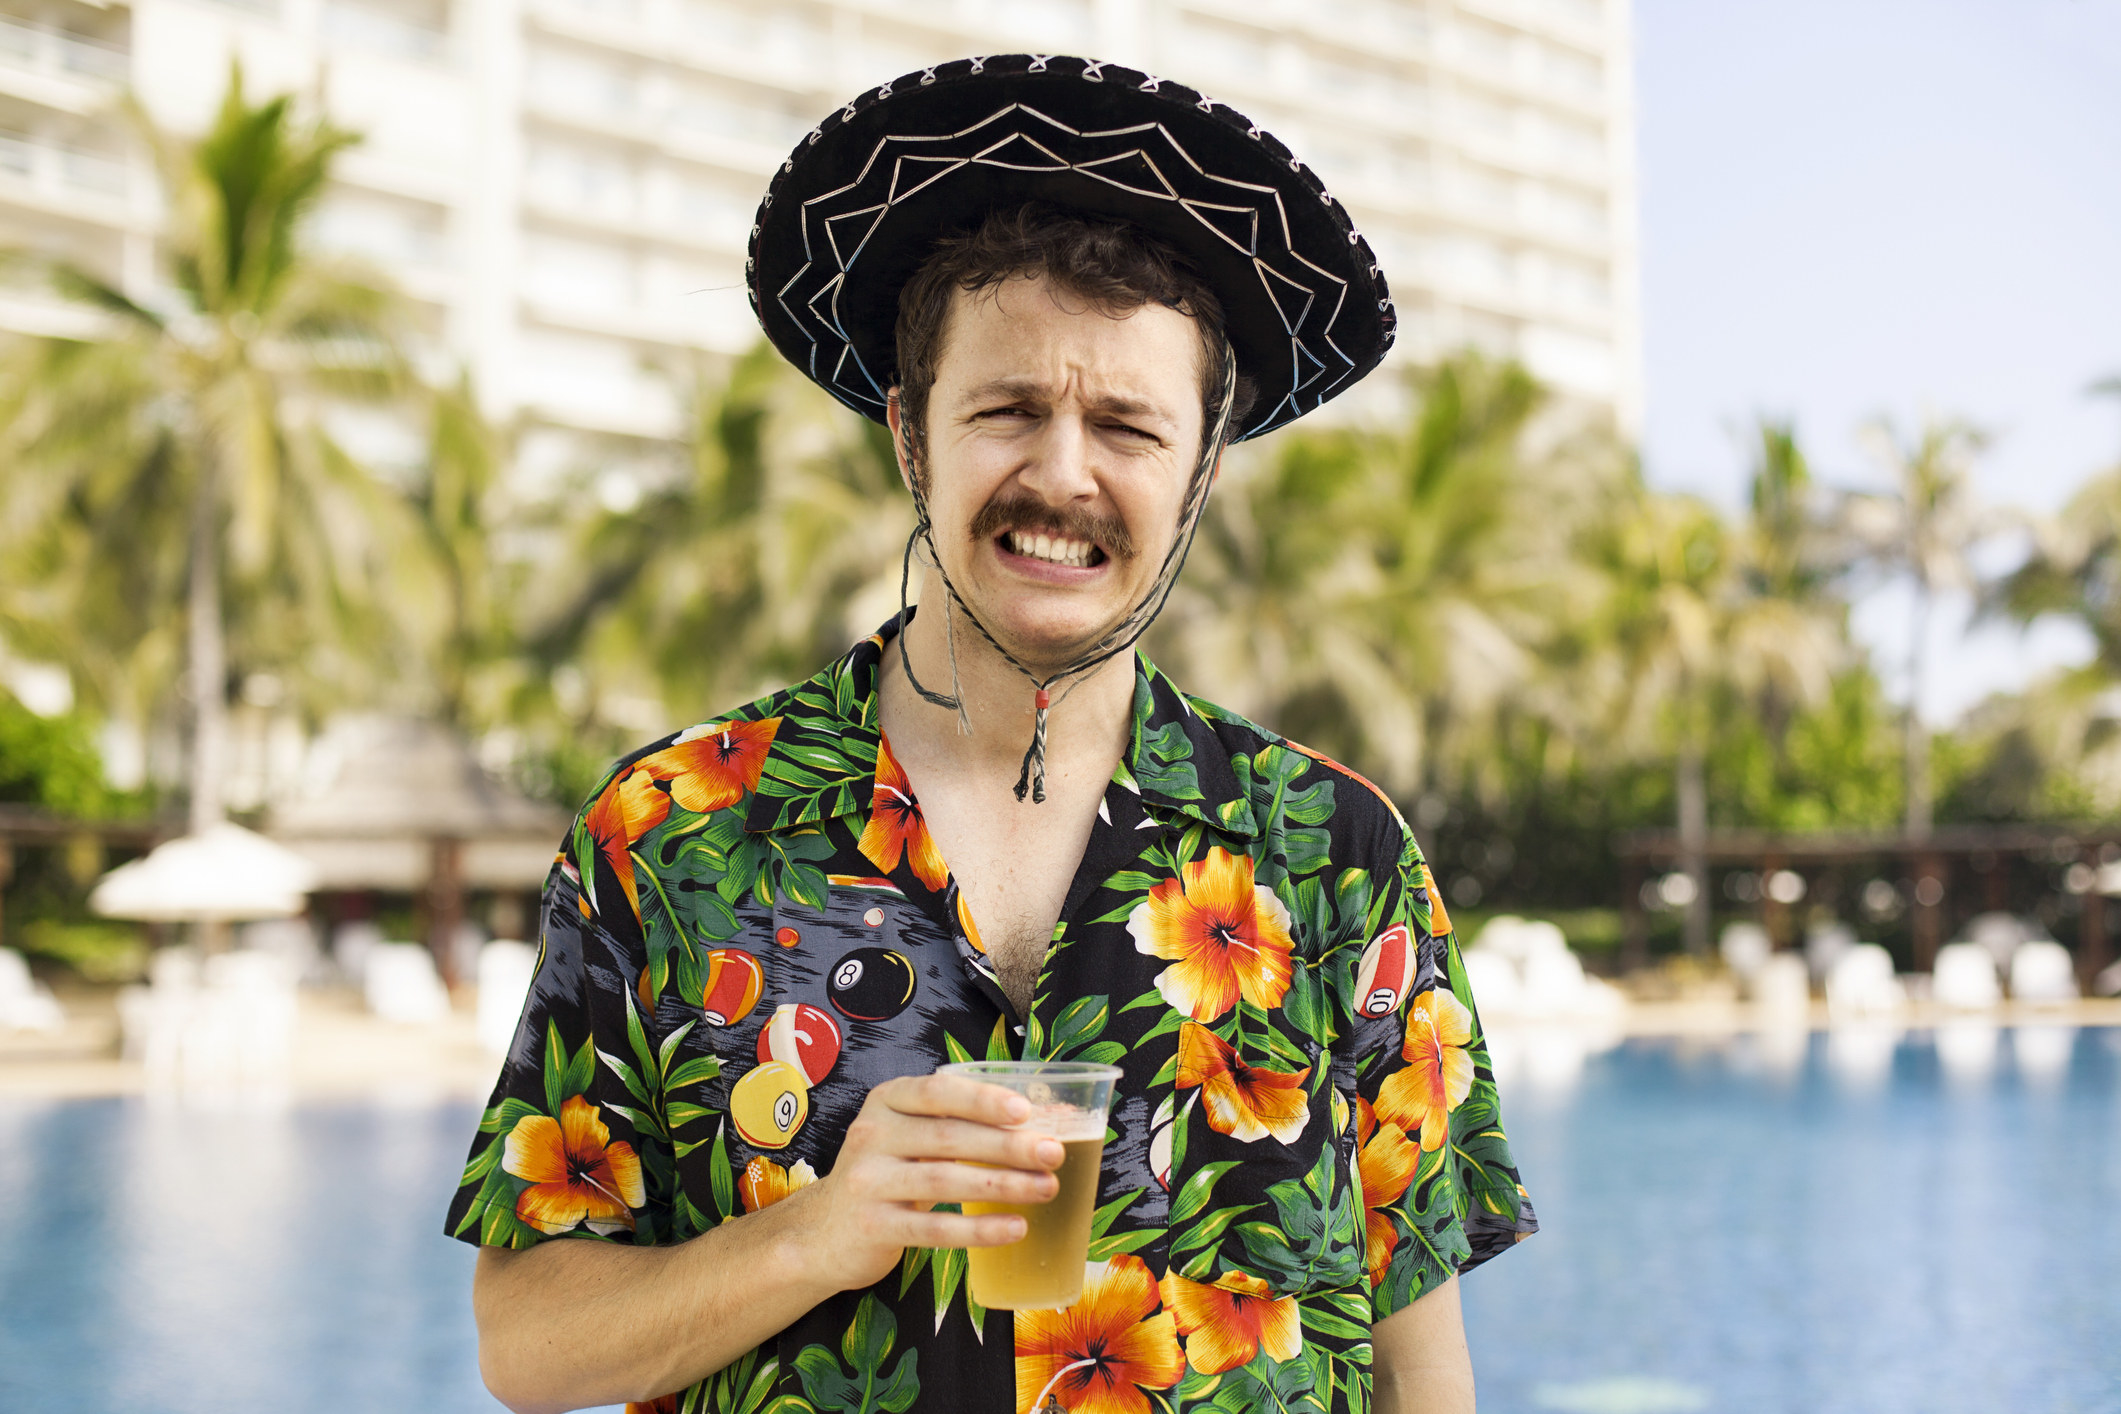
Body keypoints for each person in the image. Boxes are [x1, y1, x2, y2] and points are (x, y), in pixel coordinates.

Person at [449, 54, 1535, 1414]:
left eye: (1129, 425)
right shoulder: (671, 829)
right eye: (1008, 408)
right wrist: (814, 1235)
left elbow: (1418, 1373)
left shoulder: (1337, 853)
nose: (1063, 473)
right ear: (912, 437)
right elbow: (526, 1347)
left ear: (1198, 468)